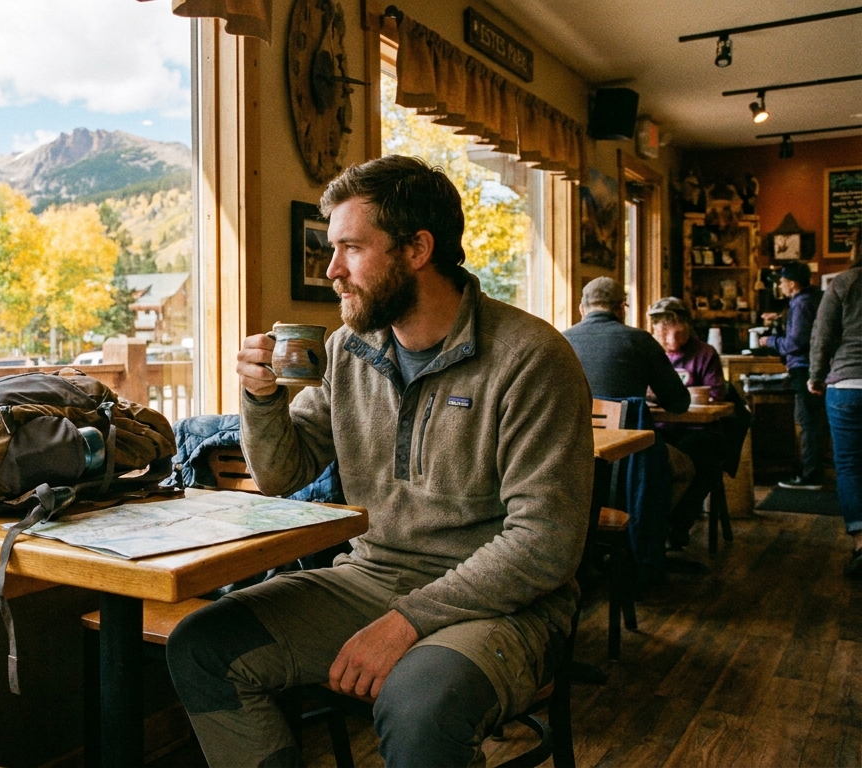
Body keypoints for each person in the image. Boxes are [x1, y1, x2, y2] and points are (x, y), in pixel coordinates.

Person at [165, 155, 594, 768]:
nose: (333, 270)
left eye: (350, 248)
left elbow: (544, 542)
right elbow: (285, 476)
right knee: (204, 645)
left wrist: (406, 622)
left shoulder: (530, 358)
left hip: (506, 606)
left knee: (419, 704)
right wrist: (261, 400)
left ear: (417, 248)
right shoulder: (348, 351)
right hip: (372, 578)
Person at [648, 297, 727, 549]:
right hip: (662, 428)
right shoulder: (652, 352)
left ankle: (677, 526)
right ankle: (649, 526)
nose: (669, 339)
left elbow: (716, 394)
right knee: (646, 452)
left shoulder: (704, 354)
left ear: (686, 326)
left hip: (699, 429)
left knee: (698, 453)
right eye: (662, 330)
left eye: (675, 330)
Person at [808, 255, 862, 577]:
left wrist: (815, 376)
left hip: (847, 385)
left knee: (850, 466)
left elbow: (822, 336)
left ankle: (861, 544)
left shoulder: (843, 282)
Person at [564, 277, 691, 412]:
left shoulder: (562, 340)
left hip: (575, 431)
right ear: (622, 308)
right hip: (627, 432)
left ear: (582, 309)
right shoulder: (641, 340)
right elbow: (679, 403)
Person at [760, 262, 825, 489]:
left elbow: (795, 342)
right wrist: (780, 317)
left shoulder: (801, 303)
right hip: (816, 366)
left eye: (782, 281)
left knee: (807, 422)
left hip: (802, 368)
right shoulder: (813, 298)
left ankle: (810, 476)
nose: (780, 284)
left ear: (793, 283)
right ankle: (813, 471)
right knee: (813, 422)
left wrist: (769, 340)